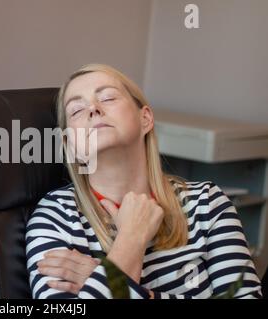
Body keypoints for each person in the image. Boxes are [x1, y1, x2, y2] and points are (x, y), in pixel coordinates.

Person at [25, 63, 262, 299]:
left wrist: (122, 286)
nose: (93, 109)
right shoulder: (55, 217)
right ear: (69, 146)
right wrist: (132, 238)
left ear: (145, 118)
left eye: (107, 98)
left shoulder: (208, 203)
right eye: (76, 110)